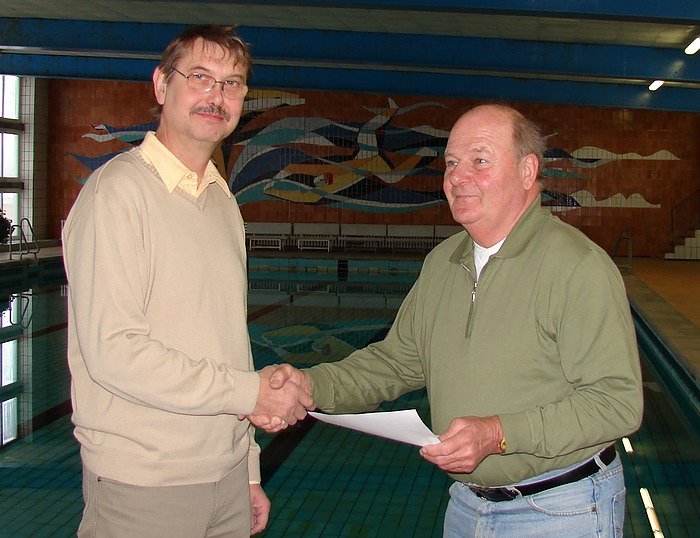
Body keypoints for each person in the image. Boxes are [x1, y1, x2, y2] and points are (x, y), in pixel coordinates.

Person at [256, 104, 644, 537]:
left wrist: (498, 434)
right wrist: (311, 386)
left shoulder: (576, 266)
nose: (458, 177)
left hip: (560, 508)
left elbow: (617, 402)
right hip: (467, 506)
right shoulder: (443, 262)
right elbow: (397, 362)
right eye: (452, 163)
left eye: (480, 160)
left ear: (527, 170)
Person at [62, 25, 313, 537]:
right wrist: (251, 393)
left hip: (225, 478)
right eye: (199, 77)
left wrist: (247, 469)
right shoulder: (118, 193)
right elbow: (115, 353)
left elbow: (228, 343)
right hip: (145, 485)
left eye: (231, 83)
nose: (215, 96)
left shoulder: (222, 201)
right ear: (161, 84)